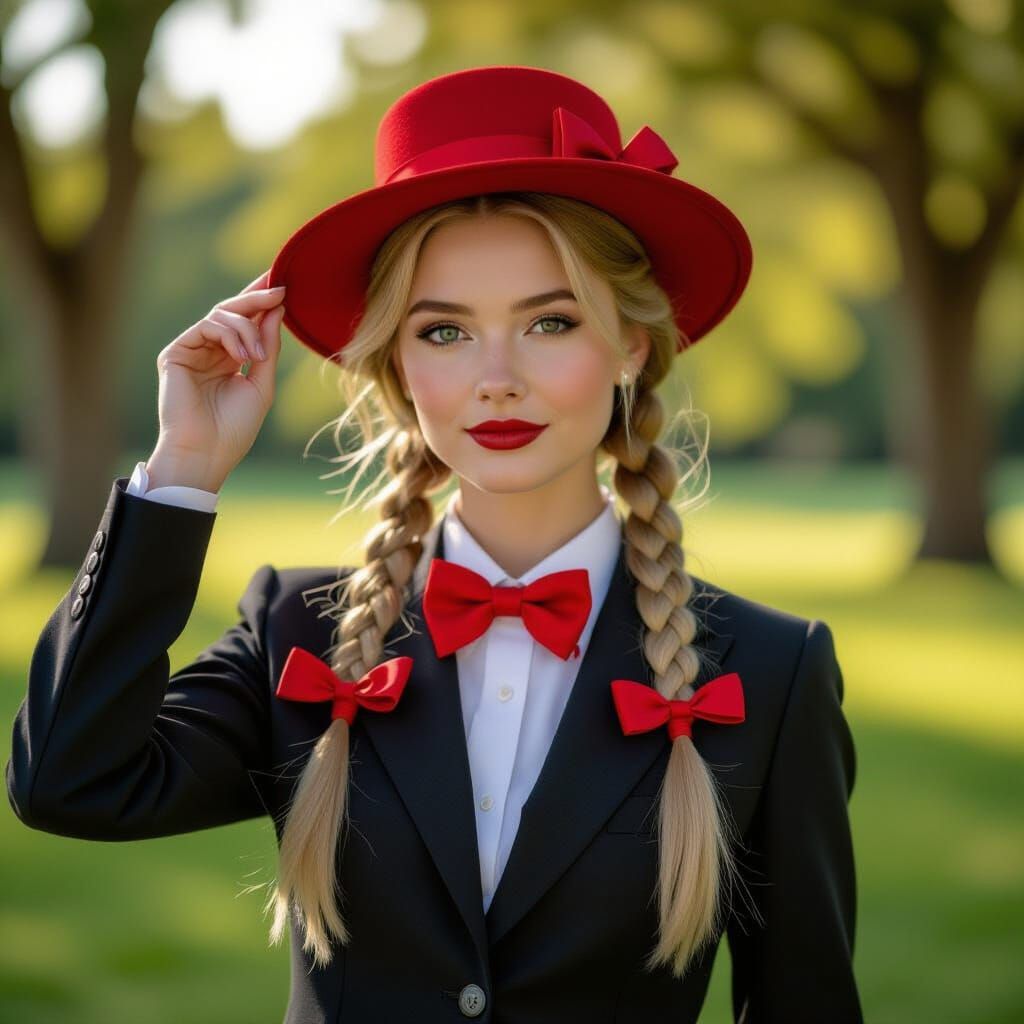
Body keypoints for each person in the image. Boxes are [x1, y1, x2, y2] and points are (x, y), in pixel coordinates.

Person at [6, 65, 862, 1023]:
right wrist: (183, 470)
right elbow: (68, 783)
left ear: (629, 342)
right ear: (397, 367)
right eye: (445, 332)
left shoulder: (774, 674)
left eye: (550, 321)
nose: (496, 379)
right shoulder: (295, 628)